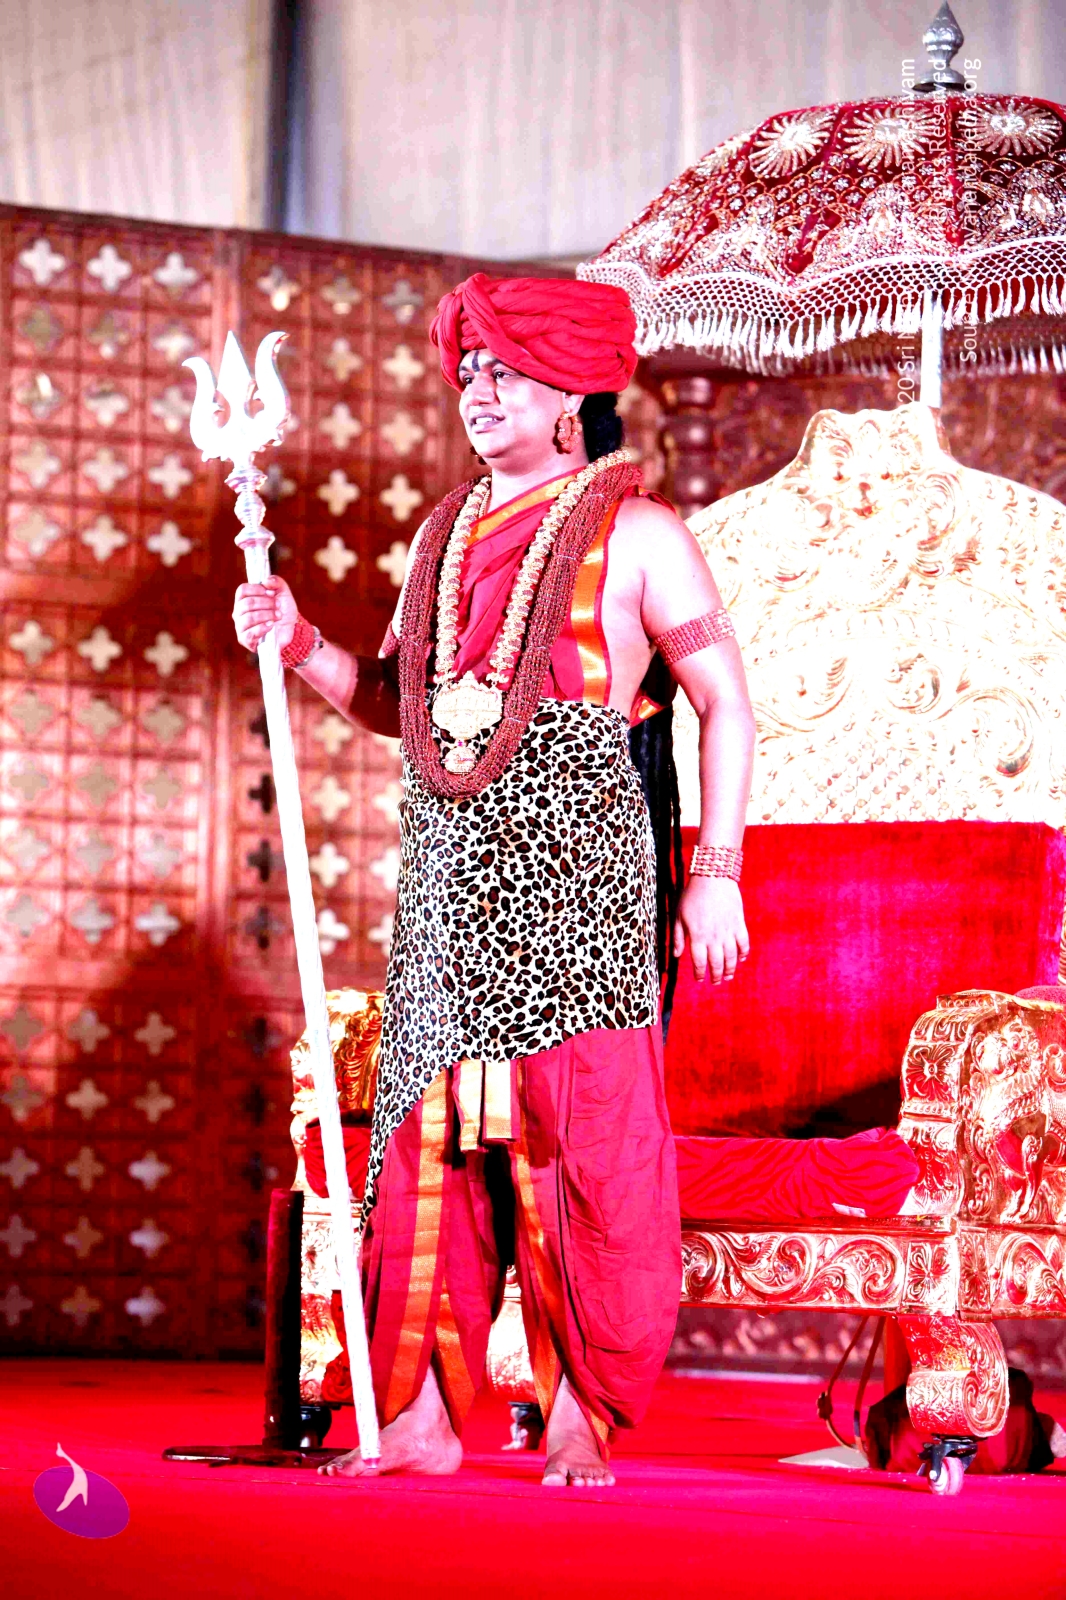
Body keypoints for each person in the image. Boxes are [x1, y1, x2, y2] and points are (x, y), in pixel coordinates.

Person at [232, 273, 755, 1486]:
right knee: (426, 1149)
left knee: (585, 1142)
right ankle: (418, 1415)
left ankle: (582, 1411)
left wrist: (716, 871)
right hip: (449, 883)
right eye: (467, 372)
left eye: (504, 372)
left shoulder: (641, 532)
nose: (476, 391)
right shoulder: (441, 536)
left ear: (572, 393)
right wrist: (297, 640)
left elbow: (726, 703)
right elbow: (396, 706)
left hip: (582, 881)